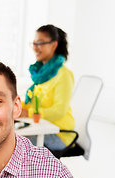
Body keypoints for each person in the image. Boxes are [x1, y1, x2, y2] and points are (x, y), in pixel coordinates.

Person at [21, 24, 75, 152]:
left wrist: (29, 114)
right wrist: (15, 107)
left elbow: (59, 111)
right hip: (41, 127)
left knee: (12, 144)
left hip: (59, 133)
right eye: (33, 43)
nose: (35, 48)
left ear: (53, 45)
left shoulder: (64, 75)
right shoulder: (41, 74)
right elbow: (34, 104)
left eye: (39, 43)